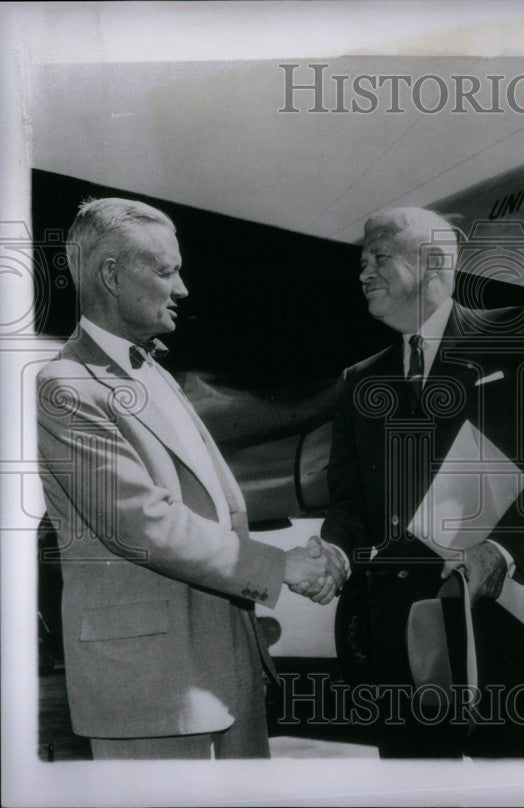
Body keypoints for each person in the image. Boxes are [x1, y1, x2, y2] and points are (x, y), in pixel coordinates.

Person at [36, 198, 345, 759]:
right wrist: (283, 567)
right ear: (110, 274)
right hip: (150, 691)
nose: (182, 289)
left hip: (229, 677)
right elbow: (142, 522)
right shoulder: (65, 386)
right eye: (165, 270)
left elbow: (212, 510)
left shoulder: (155, 371)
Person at [318, 207, 524, 757]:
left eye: (379, 258)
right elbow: (348, 505)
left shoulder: (519, 333)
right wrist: (333, 555)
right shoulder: (359, 382)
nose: (363, 273)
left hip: (509, 634)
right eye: (361, 262)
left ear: (435, 261)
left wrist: (502, 550)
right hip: (403, 651)